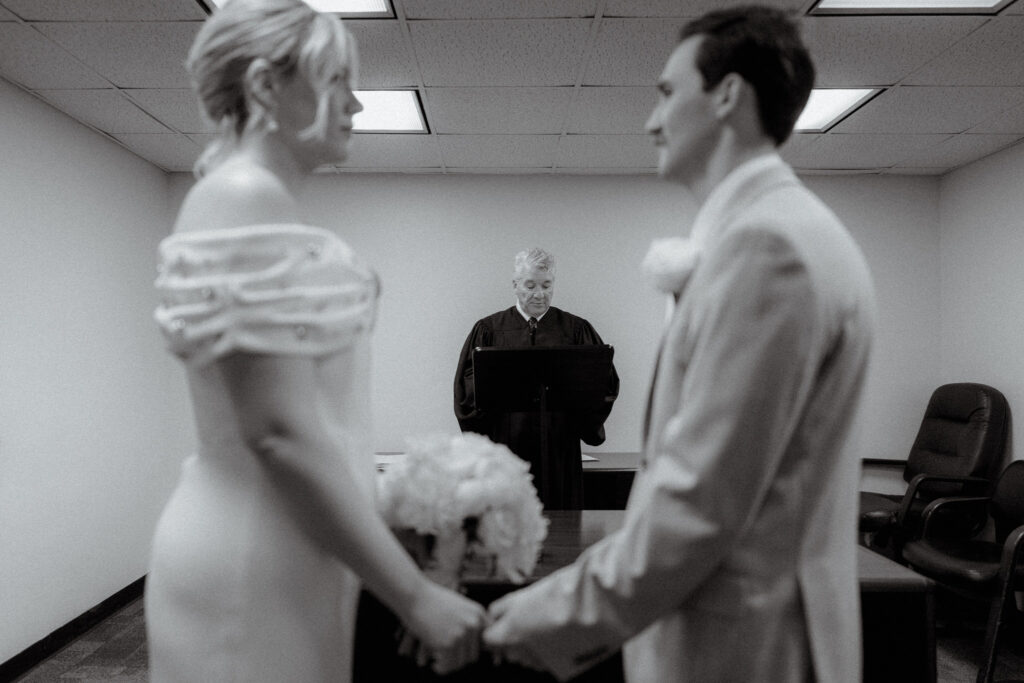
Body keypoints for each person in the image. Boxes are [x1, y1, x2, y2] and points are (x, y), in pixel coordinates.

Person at [483, 6, 876, 682]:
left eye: (667, 92)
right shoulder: (779, 230)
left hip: (745, 648)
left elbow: (700, 506)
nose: (650, 120)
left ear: (727, 95)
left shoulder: (767, 249)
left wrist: (543, 616)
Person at [146, 1, 485, 680]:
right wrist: (413, 596)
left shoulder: (249, 197)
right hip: (251, 549)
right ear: (265, 87)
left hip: (294, 546)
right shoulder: (243, 193)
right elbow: (278, 433)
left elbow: (324, 423)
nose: (355, 103)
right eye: (336, 81)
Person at [453, 248, 619, 510]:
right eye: (530, 286)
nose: (539, 294)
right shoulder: (489, 330)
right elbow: (467, 388)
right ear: (515, 285)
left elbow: (603, 385)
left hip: (559, 448)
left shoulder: (576, 330)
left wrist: (579, 414)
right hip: (505, 449)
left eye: (546, 285)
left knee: (561, 522)